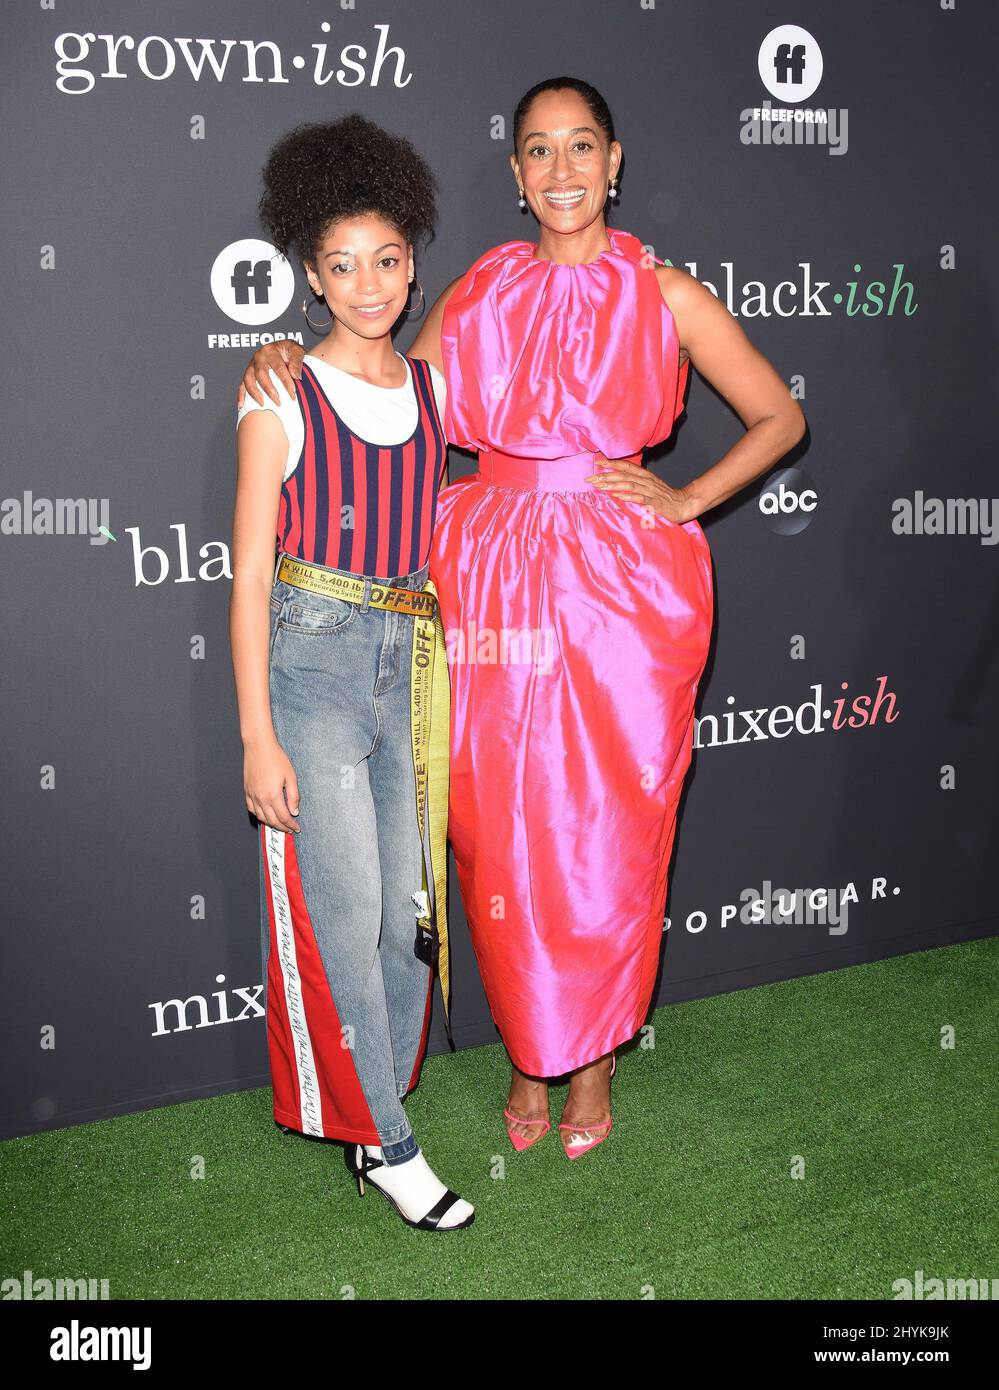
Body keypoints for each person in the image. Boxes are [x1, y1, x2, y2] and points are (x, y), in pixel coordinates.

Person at [240, 78, 806, 1160]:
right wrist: (285, 360)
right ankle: (526, 1049)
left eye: (580, 147)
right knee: (502, 836)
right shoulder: (485, 286)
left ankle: (587, 1063)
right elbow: (389, 385)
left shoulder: (664, 292)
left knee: (603, 832)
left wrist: (687, 498)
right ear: (514, 174)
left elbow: (780, 414)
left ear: (615, 160)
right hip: (487, 573)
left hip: (619, 591)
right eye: (538, 152)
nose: (561, 172)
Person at [229, 114, 473, 1229]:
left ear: (414, 258)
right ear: (309, 276)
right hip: (313, 669)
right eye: (340, 265)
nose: (367, 284)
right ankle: (387, 1141)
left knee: (406, 918)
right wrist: (256, 737)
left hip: (414, 666)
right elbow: (245, 577)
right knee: (344, 912)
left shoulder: (432, 388)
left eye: (385, 259)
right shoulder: (278, 391)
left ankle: (379, 1098)